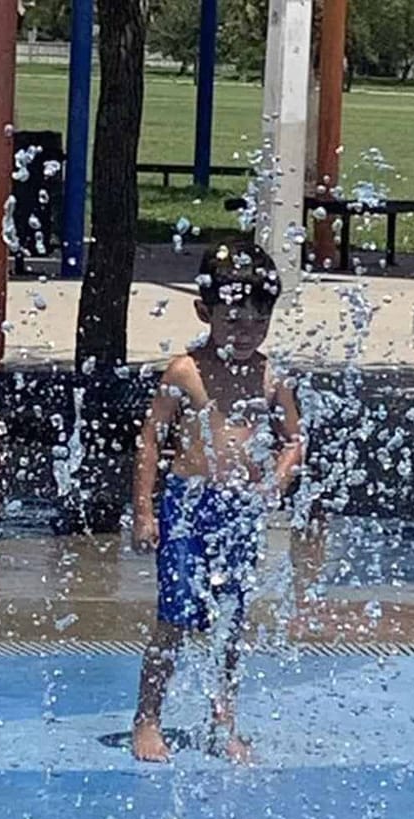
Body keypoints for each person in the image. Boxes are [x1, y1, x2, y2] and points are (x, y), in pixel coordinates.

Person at [131, 240, 303, 764]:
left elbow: (294, 441)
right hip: (187, 508)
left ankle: (223, 721)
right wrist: (144, 511)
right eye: (233, 321)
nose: (245, 333)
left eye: (258, 321)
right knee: (174, 617)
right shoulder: (185, 372)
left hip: (238, 511)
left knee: (230, 620)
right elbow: (150, 441)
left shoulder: (272, 378)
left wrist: (275, 482)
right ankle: (148, 717)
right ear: (204, 312)